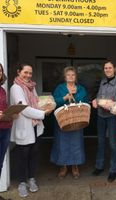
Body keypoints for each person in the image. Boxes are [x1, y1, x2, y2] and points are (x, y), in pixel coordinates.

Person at [10, 63, 53, 198]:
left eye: (30, 73)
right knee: (22, 156)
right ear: (18, 72)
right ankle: (22, 183)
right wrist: (43, 114)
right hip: (25, 126)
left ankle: (31, 179)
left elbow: (36, 103)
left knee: (34, 154)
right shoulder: (15, 88)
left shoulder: (31, 87)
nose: (28, 75)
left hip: (35, 126)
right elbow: (24, 108)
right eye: (25, 72)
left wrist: (46, 104)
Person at [50, 66, 88, 179]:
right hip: (63, 120)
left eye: (73, 74)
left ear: (76, 77)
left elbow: (86, 102)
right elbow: (53, 102)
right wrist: (64, 98)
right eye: (68, 75)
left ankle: (75, 166)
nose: (71, 76)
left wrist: (77, 99)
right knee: (62, 143)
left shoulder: (81, 89)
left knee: (76, 144)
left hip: (77, 120)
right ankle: (63, 166)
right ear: (65, 77)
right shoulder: (60, 88)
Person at [92, 60, 116, 182]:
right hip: (101, 115)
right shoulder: (103, 81)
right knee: (100, 141)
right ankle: (99, 166)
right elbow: (99, 96)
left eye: (110, 68)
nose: (107, 70)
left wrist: (112, 104)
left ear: (114, 69)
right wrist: (95, 100)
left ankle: (113, 169)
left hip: (112, 116)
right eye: (106, 68)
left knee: (112, 142)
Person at [0, 63, 12, 178]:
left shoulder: (2, 90)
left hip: (5, 129)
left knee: (0, 163)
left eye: (0, 71)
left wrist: (12, 112)